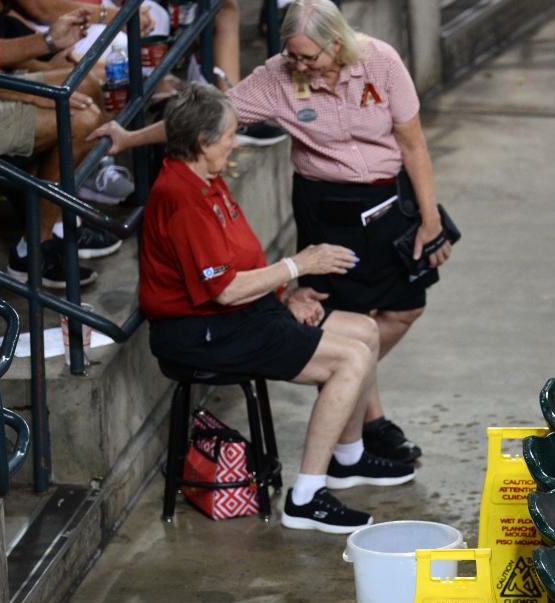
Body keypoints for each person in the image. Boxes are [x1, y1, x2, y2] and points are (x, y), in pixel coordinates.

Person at [91, 0, 452, 465]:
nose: (299, 65)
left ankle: (347, 390)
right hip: (325, 205)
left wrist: (430, 217)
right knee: (344, 314)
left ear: (337, 44)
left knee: (405, 307)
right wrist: (130, 138)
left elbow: (412, 141)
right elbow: (203, 123)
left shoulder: (380, 61)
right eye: (292, 55)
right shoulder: (279, 76)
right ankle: (364, 420)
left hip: (386, 198)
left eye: (309, 57)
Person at [140, 84, 414, 534]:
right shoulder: (182, 198)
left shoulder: (207, 179)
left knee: (364, 330)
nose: (236, 141)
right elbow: (224, 290)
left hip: (239, 314)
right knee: (352, 358)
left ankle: (348, 458)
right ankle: (306, 497)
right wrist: (297, 266)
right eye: (230, 135)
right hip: (204, 333)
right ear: (203, 142)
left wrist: (285, 296)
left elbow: (235, 271)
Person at [0, 0, 123, 289]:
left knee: (86, 83)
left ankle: (60, 223)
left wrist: (48, 41)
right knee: (80, 121)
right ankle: (33, 251)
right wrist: (33, 95)